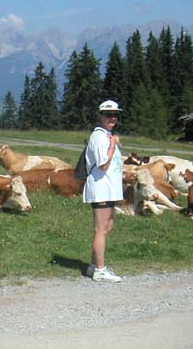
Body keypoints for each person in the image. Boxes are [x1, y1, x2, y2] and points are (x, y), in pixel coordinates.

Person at [83, 99, 124, 282]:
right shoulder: (99, 136)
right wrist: (113, 145)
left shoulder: (107, 135)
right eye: (108, 115)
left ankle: (93, 266)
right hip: (101, 188)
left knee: (107, 227)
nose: (112, 118)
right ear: (101, 116)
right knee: (101, 229)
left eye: (115, 115)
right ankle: (100, 270)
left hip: (108, 189)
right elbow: (103, 164)